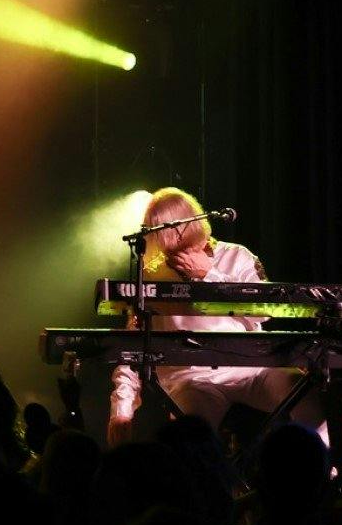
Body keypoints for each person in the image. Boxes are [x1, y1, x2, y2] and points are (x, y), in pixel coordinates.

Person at [108, 186, 315, 438]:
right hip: (192, 379)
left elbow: (262, 313)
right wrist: (122, 410)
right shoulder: (151, 276)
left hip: (252, 368)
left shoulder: (236, 256)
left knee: (306, 393)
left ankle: (322, 460)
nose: (172, 244)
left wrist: (208, 275)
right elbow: (133, 346)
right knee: (187, 436)